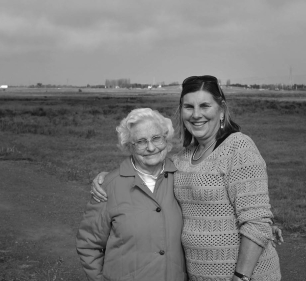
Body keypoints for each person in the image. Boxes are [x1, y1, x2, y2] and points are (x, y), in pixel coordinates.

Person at [91, 75, 282, 281]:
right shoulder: (182, 159)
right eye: (189, 107)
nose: (196, 114)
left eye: (205, 106)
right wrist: (106, 178)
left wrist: (240, 276)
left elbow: (256, 223)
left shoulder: (238, 148)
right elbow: (146, 170)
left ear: (222, 109)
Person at [76, 108, 188, 281]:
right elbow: (89, 243)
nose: (151, 147)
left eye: (156, 138)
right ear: (129, 146)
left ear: (166, 140)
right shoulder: (109, 186)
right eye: (141, 141)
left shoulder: (182, 177)